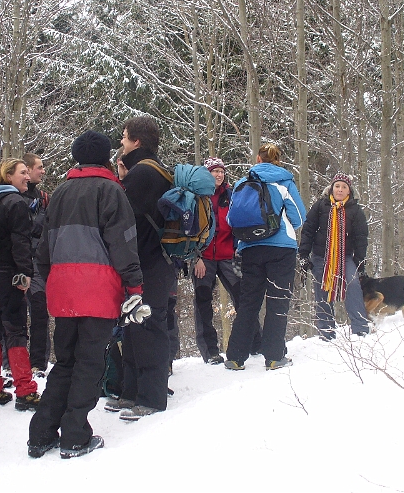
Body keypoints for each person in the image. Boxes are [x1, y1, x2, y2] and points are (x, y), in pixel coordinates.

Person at [28, 130, 144, 459]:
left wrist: (54, 280)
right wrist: (134, 287)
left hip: (63, 290)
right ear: (106, 157)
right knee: (90, 363)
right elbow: (123, 243)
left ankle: (41, 433)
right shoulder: (111, 190)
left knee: (65, 361)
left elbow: (43, 248)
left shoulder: (60, 192)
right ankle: (75, 435)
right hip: (98, 290)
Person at [104, 116, 177, 421]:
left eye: (123, 138)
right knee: (136, 327)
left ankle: (151, 396)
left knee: (148, 326)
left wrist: (122, 182)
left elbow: (123, 218)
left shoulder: (144, 174)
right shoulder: (152, 170)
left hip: (149, 262)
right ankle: (131, 392)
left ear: (136, 141)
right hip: (156, 261)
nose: (120, 143)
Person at [224, 143, 306, 371]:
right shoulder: (284, 182)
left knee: (249, 302)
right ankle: (273, 356)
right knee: (278, 301)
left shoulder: (243, 182)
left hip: (250, 248)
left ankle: (234, 357)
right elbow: (299, 217)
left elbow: (231, 220)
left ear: (257, 159)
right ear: (277, 160)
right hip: (281, 249)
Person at [0, 159, 39, 410]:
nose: (27, 177)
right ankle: (25, 391)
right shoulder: (15, 203)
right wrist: (25, 273)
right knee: (15, 330)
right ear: (8, 176)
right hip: (9, 275)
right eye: (22, 173)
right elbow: (21, 242)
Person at [192, 157, 260, 364]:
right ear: (206, 174)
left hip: (229, 256)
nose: (219, 175)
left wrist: (239, 248)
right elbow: (190, 230)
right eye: (214, 172)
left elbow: (239, 222)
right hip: (203, 258)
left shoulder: (231, 196)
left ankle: (256, 343)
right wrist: (195, 257)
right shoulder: (197, 198)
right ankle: (210, 351)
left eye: (221, 171)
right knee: (203, 303)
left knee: (244, 299)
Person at [299, 173, 369, 340]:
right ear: (331, 188)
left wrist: (360, 262)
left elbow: (361, 237)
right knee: (322, 290)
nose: (340, 189)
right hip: (321, 256)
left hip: (346, 257)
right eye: (337, 186)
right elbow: (308, 230)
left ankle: (360, 329)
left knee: (353, 286)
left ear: (349, 191)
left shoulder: (355, 210)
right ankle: (326, 332)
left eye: (344, 187)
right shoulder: (321, 206)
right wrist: (303, 254)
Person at [20, 152, 50, 377]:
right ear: (27, 170)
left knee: (39, 312)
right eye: (38, 167)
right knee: (15, 315)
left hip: (38, 263)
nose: (43, 171)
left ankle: (39, 363)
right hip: (18, 263)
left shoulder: (43, 198)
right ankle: (13, 363)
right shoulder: (12, 197)